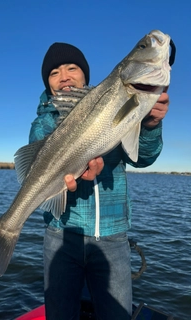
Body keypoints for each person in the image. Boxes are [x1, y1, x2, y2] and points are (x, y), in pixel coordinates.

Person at [29, 43, 169, 320]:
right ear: (47, 82)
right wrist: (73, 175)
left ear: (86, 74)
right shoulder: (44, 122)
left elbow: (142, 158)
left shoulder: (111, 103)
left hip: (113, 236)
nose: (64, 76)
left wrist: (151, 125)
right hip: (60, 235)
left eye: (72, 67)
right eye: (54, 72)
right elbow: (37, 163)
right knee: (59, 314)